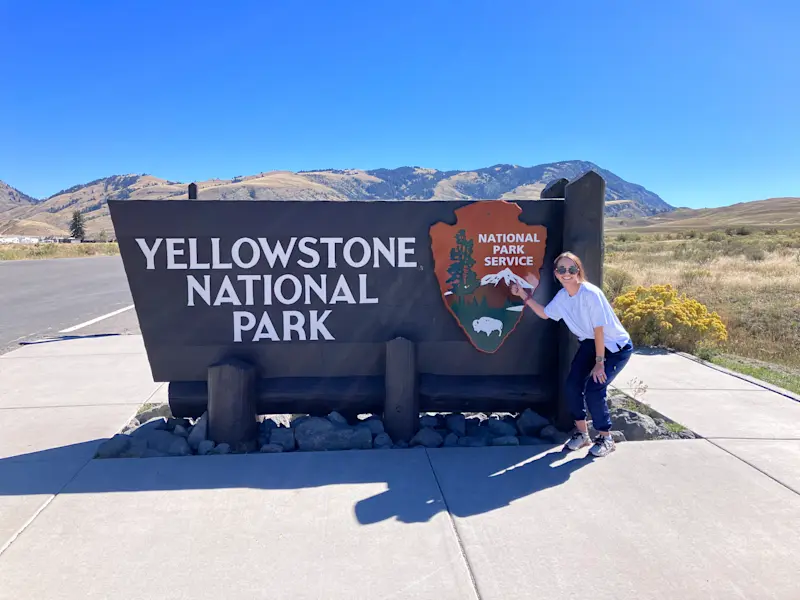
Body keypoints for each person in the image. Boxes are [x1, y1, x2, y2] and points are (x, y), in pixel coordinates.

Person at [510, 251, 633, 457]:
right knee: (572, 386)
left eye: (571, 269)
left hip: (614, 347)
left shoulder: (591, 294)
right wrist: (523, 295)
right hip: (589, 344)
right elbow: (545, 313)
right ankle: (582, 434)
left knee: (595, 388)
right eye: (561, 269)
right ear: (556, 273)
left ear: (578, 271)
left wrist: (600, 363)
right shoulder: (563, 296)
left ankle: (605, 437)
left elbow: (599, 330)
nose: (566, 273)